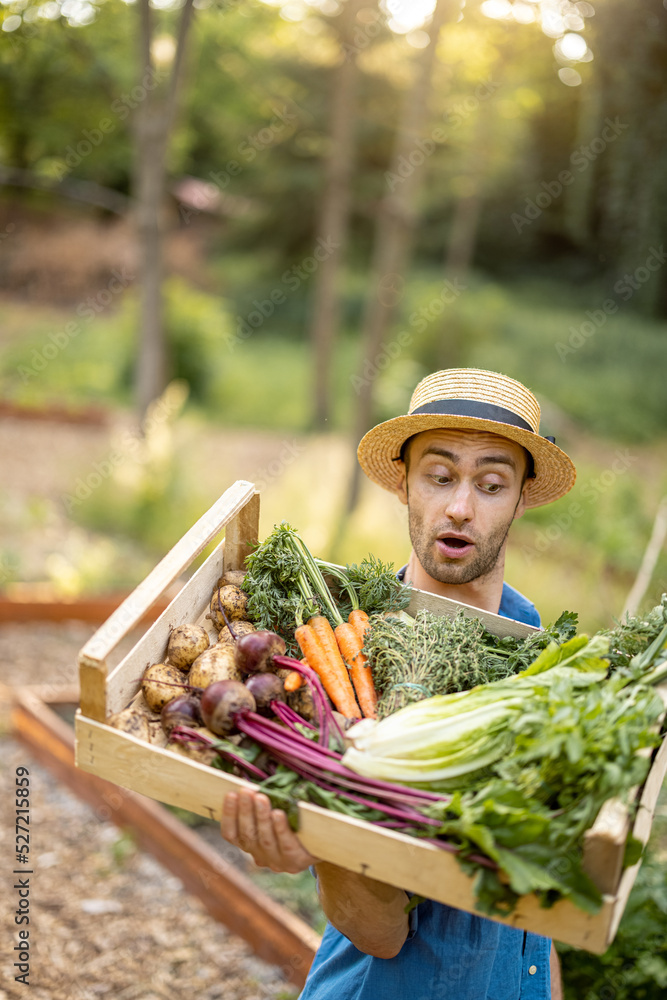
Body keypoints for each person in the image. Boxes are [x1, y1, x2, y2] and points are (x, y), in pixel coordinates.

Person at [221, 368, 576, 1000]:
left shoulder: (533, 641)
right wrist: (322, 836)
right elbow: (379, 934)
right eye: (439, 478)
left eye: (492, 484)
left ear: (522, 498)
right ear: (406, 487)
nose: (460, 507)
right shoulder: (353, 652)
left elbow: (529, 899)